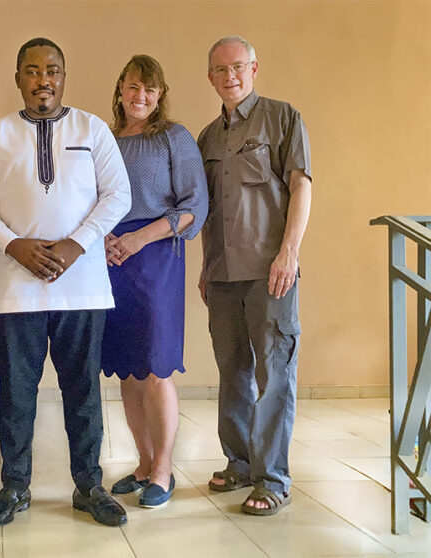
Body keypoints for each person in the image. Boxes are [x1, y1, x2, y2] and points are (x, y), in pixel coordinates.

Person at [0, 37, 131, 528]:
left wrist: (76, 243)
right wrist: (13, 244)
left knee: (83, 391)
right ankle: (14, 487)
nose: (44, 80)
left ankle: (89, 485)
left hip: (82, 287)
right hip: (15, 286)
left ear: (64, 76)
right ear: (18, 79)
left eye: (52, 70)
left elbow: (117, 195)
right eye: (32, 71)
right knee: (17, 394)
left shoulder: (91, 128)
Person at [197, 36, 312, 516]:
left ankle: (272, 479)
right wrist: (205, 267)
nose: (230, 77)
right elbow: (205, 211)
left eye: (238, 67)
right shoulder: (206, 138)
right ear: (211, 78)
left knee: (275, 376)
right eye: (221, 70)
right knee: (233, 373)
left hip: (271, 274)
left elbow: (301, 184)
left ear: (255, 68)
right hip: (223, 275)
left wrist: (289, 252)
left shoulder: (282, 118)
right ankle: (240, 463)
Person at [102, 55, 208, 508]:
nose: (139, 96)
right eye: (132, 86)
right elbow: (90, 196)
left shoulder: (173, 138)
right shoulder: (103, 139)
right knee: (128, 369)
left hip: (157, 257)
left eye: (149, 88)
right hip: (110, 259)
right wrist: (104, 236)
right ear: (120, 88)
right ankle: (143, 463)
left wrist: (140, 237)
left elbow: (194, 205)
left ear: (160, 93)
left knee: (156, 368)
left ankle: (163, 469)